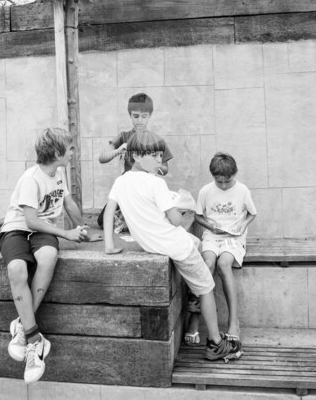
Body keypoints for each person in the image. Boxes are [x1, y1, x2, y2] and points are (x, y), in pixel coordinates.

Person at [104, 131, 243, 362]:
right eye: (155, 155)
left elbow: (109, 212)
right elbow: (176, 221)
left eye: (160, 154)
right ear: (137, 156)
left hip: (153, 244)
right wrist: (178, 208)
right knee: (207, 288)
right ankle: (216, 344)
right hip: (175, 246)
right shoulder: (156, 182)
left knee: (197, 242)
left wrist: (109, 245)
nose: (160, 160)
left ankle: (193, 289)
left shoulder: (120, 182)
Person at [0, 127, 91, 384]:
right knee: (16, 268)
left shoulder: (58, 173)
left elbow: (68, 203)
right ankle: (33, 339)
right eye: (69, 148)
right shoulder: (32, 178)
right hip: (18, 229)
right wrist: (66, 234)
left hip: (42, 231)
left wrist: (82, 229)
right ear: (57, 152)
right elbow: (30, 220)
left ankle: (22, 325)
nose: (73, 151)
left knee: (48, 256)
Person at [186, 152, 257, 345]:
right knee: (207, 263)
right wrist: (210, 227)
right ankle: (194, 319)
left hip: (233, 237)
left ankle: (233, 322)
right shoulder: (206, 191)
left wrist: (243, 226)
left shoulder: (242, 190)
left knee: (224, 264)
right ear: (213, 177)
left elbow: (252, 213)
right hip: (212, 236)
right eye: (220, 182)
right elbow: (198, 216)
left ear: (235, 174)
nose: (224, 185)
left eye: (228, 181)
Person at [97, 93, 173, 230]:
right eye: (136, 116)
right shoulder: (124, 136)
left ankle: (133, 221)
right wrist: (119, 149)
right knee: (102, 221)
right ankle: (130, 220)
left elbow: (165, 169)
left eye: (144, 117)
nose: (140, 121)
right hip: (128, 189)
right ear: (130, 115)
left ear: (150, 116)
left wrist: (152, 163)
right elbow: (102, 158)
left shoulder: (156, 140)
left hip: (146, 190)